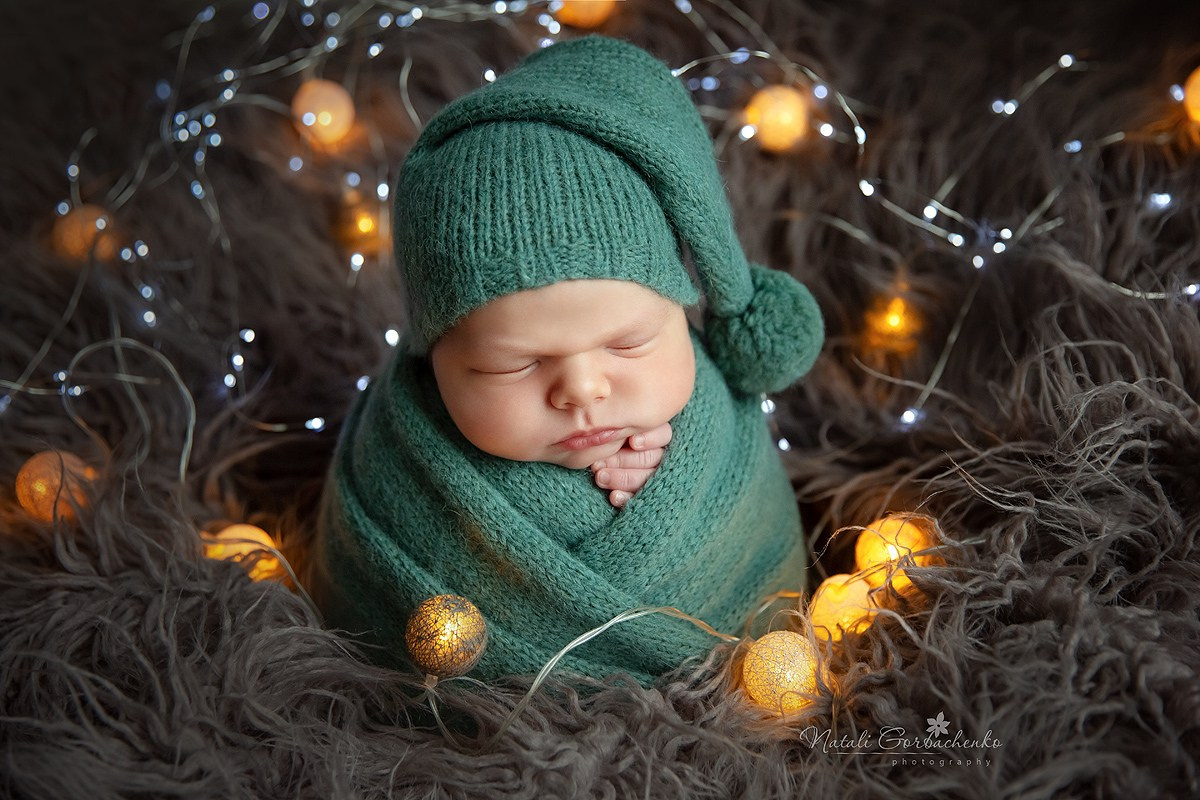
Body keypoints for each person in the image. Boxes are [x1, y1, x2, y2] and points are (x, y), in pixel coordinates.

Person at [310, 35, 824, 685]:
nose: (582, 389)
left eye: (627, 344)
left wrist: (669, 486)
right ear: (432, 358)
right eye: (512, 367)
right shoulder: (394, 459)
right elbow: (366, 612)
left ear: (681, 312)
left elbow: (754, 543)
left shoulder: (718, 422)